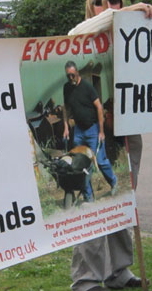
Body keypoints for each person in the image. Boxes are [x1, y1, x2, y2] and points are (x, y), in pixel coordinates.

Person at [68, 0, 152, 291]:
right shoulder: (80, 38)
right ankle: (87, 279)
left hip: (127, 135)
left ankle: (119, 272)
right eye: (100, 2)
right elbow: (78, 32)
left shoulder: (137, 38)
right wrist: (126, 12)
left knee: (121, 200)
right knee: (93, 201)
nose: (109, 6)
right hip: (93, 135)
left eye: (115, 0)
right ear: (90, 7)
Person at [62, 60, 116, 203]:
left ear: (77, 72)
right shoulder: (67, 88)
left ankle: (113, 182)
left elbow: (99, 107)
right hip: (79, 131)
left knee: (99, 160)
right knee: (80, 164)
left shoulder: (87, 87)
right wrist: (66, 127)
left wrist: (101, 131)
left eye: (73, 75)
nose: (71, 78)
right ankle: (88, 196)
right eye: (68, 76)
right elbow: (65, 108)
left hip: (93, 129)